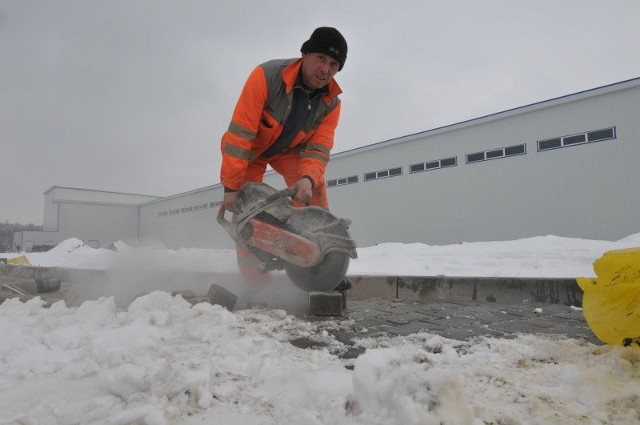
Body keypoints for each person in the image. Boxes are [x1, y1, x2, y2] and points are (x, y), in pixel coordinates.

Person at [219, 27, 349, 284]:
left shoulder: (331, 103)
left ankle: (324, 261)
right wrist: (232, 188)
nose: (326, 69)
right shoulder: (265, 76)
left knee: (315, 189)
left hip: (289, 151)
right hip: (251, 152)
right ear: (304, 54)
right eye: (321, 58)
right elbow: (240, 136)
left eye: (334, 64)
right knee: (248, 212)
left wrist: (308, 179)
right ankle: (255, 282)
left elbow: (318, 149)